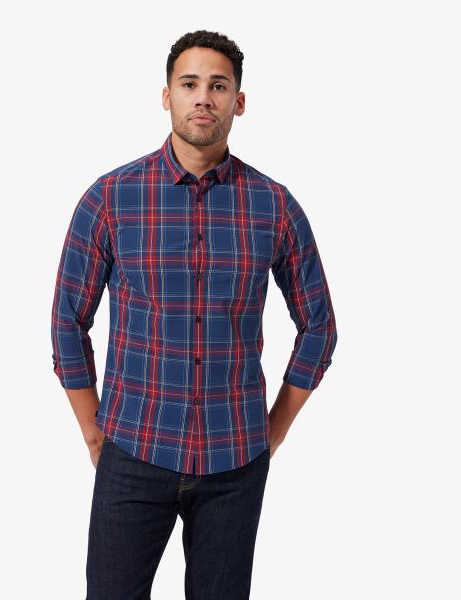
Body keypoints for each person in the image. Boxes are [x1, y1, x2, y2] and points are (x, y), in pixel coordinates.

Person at [50, 29, 338, 600]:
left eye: (218, 85)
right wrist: (92, 430)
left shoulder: (274, 205)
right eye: (189, 84)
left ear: (239, 101)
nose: (203, 97)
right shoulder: (111, 198)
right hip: (133, 451)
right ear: (167, 96)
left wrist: (273, 429)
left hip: (235, 463)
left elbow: (319, 328)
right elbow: (67, 321)